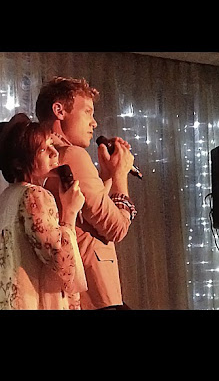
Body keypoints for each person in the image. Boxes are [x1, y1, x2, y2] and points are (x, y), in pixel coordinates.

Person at [36, 76, 137, 310]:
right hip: (95, 291)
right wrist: (121, 176)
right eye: (88, 112)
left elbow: (89, 217)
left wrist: (107, 174)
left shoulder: (44, 156)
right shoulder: (72, 155)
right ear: (59, 111)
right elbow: (116, 228)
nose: (94, 122)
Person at [0, 112, 87, 309]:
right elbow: (61, 262)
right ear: (19, 163)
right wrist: (70, 212)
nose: (54, 153)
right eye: (43, 149)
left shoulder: (7, 197)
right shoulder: (35, 195)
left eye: (52, 145)